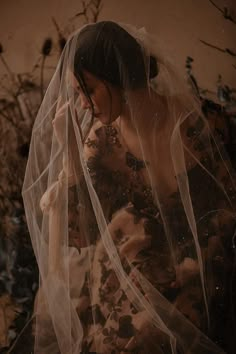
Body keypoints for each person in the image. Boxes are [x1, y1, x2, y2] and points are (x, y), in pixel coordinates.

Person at [22, 21, 236, 354]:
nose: (81, 105)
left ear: (118, 77)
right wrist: (72, 156)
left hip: (204, 270)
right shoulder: (102, 142)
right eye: (77, 93)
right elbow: (77, 237)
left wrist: (198, 259)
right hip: (135, 277)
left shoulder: (203, 123)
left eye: (88, 90)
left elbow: (229, 201)